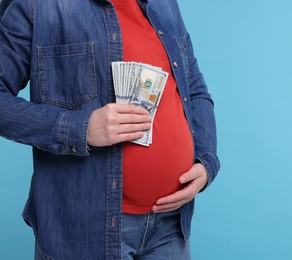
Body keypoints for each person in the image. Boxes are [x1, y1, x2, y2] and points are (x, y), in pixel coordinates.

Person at [0, 0, 220, 259]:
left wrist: (206, 162)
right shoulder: (36, 6)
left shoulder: (164, 4)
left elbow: (192, 86)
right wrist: (80, 128)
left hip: (170, 226)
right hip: (86, 231)